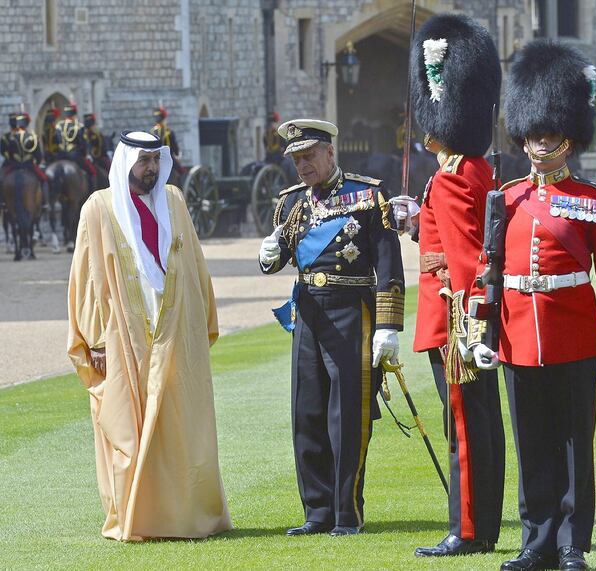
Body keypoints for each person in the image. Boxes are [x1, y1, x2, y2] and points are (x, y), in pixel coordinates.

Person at [471, 40, 596, 571]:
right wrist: (478, 334)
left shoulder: (591, 201)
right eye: (534, 136)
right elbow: (485, 270)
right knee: (532, 445)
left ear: (568, 139)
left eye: (550, 136)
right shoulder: (507, 197)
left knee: (573, 447)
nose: (540, 145)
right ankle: (535, 541)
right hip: (517, 338)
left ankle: (571, 543)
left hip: (575, 338)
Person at [67, 130, 232, 541]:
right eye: (144, 161)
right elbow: (86, 278)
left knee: (181, 421)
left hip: (176, 326)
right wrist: (95, 339)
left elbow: (194, 261)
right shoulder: (98, 208)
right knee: (128, 421)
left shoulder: (174, 199)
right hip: (123, 329)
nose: (151, 169)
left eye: (156, 160)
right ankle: (137, 515)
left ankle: (186, 515)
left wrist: (201, 319)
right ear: (126, 162)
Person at [392, 14, 506, 558]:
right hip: (462, 316)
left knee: (464, 424)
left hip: (456, 321)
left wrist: (467, 330)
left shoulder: (457, 175)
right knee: (478, 424)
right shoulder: (467, 169)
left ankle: (467, 529)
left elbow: (463, 262)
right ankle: (481, 526)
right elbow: (447, 247)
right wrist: (416, 226)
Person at [258, 119, 405, 537]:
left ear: (330, 153)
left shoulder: (368, 195)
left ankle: (346, 513)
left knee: (348, 418)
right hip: (307, 314)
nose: (302, 166)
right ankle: (316, 512)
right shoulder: (290, 204)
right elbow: (280, 257)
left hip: (351, 313)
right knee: (307, 414)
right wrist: (267, 256)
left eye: (308, 156)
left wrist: (387, 326)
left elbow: (389, 266)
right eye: (296, 159)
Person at [55, 103, 97, 191]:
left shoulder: (59, 126)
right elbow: (82, 143)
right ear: (74, 115)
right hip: (74, 155)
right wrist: (86, 154)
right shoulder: (79, 127)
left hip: (61, 155)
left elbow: (57, 141)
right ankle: (92, 192)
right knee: (92, 172)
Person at [5, 112, 50, 190]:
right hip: (29, 165)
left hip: (14, 166)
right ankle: (46, 201)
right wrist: (37, 163)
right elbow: (38, 156)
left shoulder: (10, 138)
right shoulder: (32, 137)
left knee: (2, 180)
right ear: (27, 124)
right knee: (45, 180)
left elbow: (9, 155)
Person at [151, 106, 183, 175]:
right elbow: (175, 148)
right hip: (167, 157)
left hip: (155, 157)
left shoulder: (153, 132)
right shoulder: (168, 132)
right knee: (181, 171)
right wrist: (177, 155)